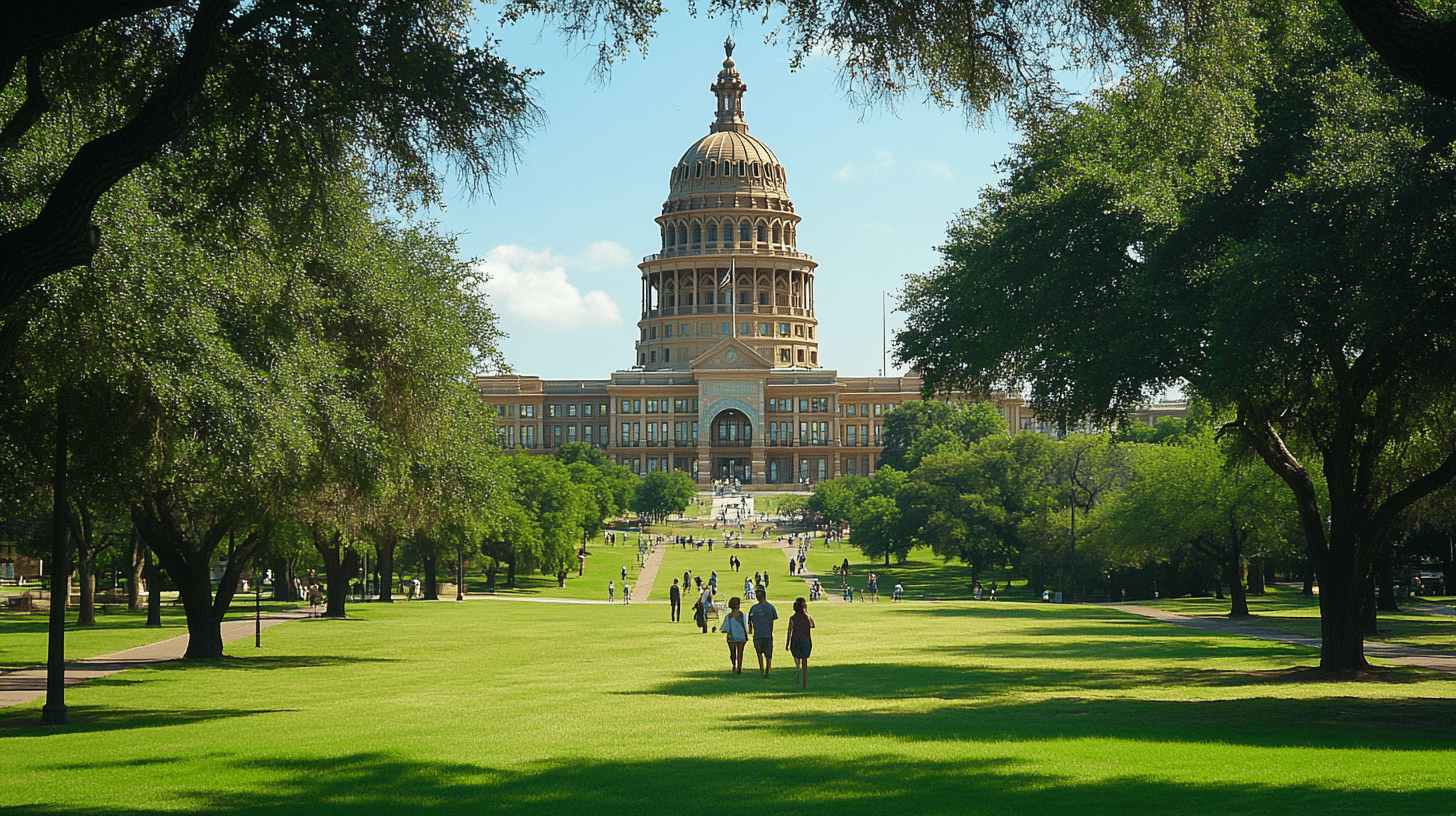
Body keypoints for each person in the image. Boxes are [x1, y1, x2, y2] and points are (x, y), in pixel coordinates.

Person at [747, 589, 779, 678]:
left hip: (767, 635)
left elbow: (773, 620)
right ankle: (761, 669)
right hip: (757, 634)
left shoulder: (770, 607)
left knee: (768, 655)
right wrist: (751, 630)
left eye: (758, 595)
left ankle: (767, 670)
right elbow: (750, 621)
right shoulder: (754, 608)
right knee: (759, 653)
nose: (757, 597)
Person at [786, 596, 815, 688]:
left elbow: (789, 632)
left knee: (797, 659)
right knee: (805, 660)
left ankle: (798, 670)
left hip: (795, 641)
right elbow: (812, 625)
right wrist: (806, 613)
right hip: (806, 640)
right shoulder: (808, 617)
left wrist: (787, 644)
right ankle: (805, 680)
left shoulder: (792, 618)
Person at [722, 596, 749, 674]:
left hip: (734, 637)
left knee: (735, 653)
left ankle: (737, 666)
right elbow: (745, 626)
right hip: (739, 636)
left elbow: (725, 628)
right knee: (737, 653)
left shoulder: (730, 616)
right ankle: (737, 666)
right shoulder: (740, 615)